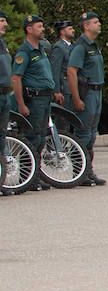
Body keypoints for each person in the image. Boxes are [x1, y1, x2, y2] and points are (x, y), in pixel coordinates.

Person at [13, 14, 58, 189]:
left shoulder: (41, 49)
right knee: (32, 138)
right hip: (34, 99)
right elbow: (16, 78)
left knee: (40, 138)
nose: (43, 29)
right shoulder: (24, 52)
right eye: (39, 26)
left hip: (45, 98)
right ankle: (27, 177)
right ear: (29, 29)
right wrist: (21, 104)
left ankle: (35, 175)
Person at [66, 11, 107, 185]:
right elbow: (71, 72)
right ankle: (80, 171)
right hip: (87, 93)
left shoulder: (93, 45)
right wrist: (76, 99)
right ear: (86, 26)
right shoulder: (80, 46)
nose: (99, 24)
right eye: (95, 22)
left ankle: (88, 170)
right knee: (84, 133)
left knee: (91, 134)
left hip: (97, 92)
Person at [50, 20, 76, 108]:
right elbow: (55, 70)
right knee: (63, 118)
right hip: (64, 88)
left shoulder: (72, 47)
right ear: (62, 31)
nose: (73, 30)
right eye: (70, 29)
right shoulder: (59, 47)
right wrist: (56, 91)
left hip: (73, 87)